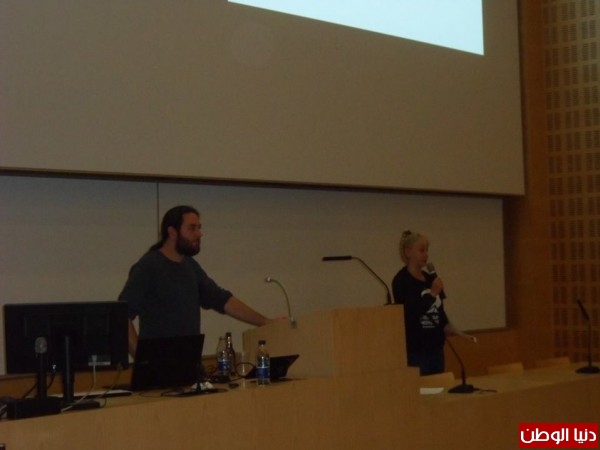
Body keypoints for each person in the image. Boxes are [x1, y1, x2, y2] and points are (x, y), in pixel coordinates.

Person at [118, 205, 274, 357]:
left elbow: (221, 299)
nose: (199, 234)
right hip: (159, 366)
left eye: (199, 228)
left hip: (190, 364)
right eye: (192, 228)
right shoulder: (149, 266)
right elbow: (121, 316)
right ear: (172, 232)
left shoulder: (190, 266)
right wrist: (142, 360)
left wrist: (265, 322)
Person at [391, 230, 476, 375]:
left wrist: (459, 333)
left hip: (436, 349)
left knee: (439, 387)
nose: (426, 254)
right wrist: (432, 294)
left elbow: (440, 314)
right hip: (416, 351)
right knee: (423, 388)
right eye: (421, 250)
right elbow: (410, 314)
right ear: (408, 252)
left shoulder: (430, 278)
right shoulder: (401, 281)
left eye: (427, 250)